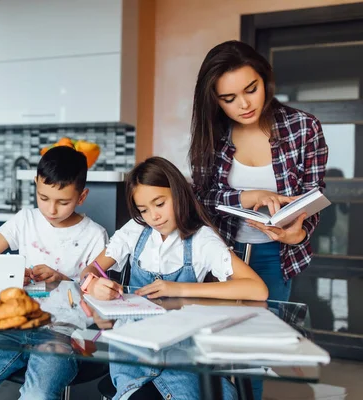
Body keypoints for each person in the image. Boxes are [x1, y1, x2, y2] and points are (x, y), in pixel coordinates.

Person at [80, 156, 268, 400]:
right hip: (134, 351)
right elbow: (89, 271)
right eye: (144, 210)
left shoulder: (201, 240)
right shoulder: (135, 231)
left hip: (183, 354)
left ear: (178, 194)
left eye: (160, 203)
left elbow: (257, 289)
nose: (153, 217)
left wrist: (179, 288)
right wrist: (93, 284)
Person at [0, 146, 109, 400]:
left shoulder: (94, 235)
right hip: (12, 327)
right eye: (43, 198)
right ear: (35, 184)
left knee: (38, 395)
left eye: (63, 202)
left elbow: (101, 299)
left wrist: (63, 279)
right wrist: (10, 273)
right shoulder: (23, 221)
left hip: (63, 332)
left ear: (81, 197)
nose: (51, 210)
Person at [188, 40, 328, 302]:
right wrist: (249, 197)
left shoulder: (304, 128)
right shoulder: (211, 134)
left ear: (265, 80)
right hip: (221, 251)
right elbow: (201, 198)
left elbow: (314, 194)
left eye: (251, 90)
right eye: (229, 99)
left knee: (268, 335)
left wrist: (298, 234)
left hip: (278, 254)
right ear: (215, 100)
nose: (244, 104)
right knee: (219, 335)